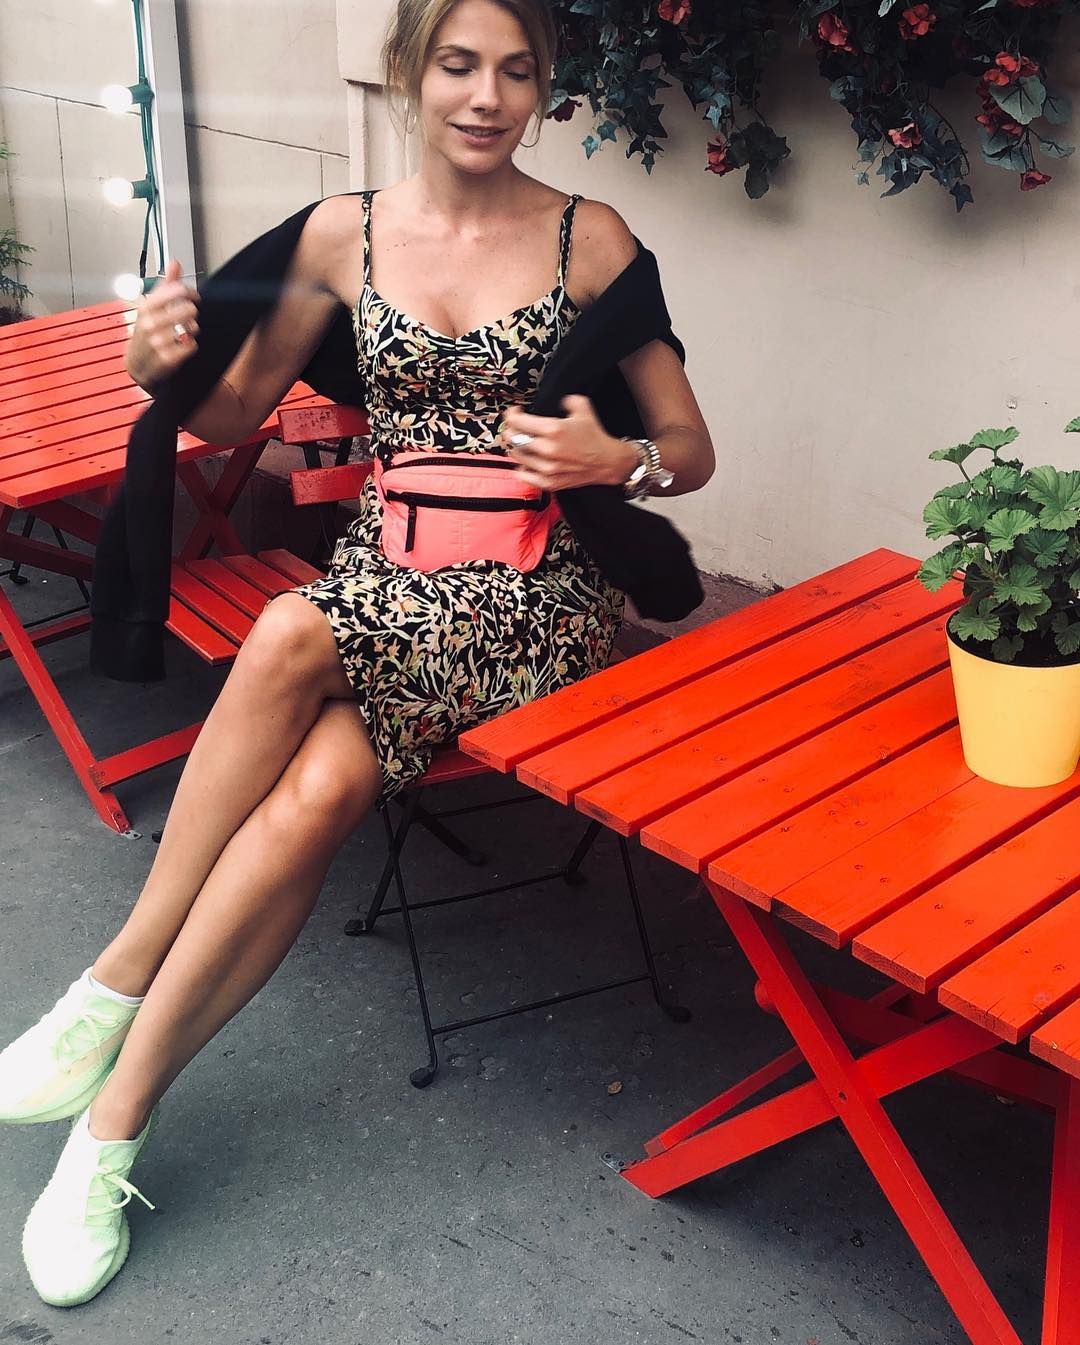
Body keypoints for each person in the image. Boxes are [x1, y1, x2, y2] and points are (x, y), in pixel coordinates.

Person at [0, 0, 714, 1308]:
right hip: (389, 584)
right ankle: (110, 1131)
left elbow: (692, 447)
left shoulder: (590, 238)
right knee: (317, 790)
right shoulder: (346, 232)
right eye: (459, 64)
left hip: (536, 598)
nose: (487, 95)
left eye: (516, 70)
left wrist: (620, 457)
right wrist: (163, 369)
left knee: (287, 628)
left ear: (543, 87)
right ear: (408, 74)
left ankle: (114, 978)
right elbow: (235, 411)